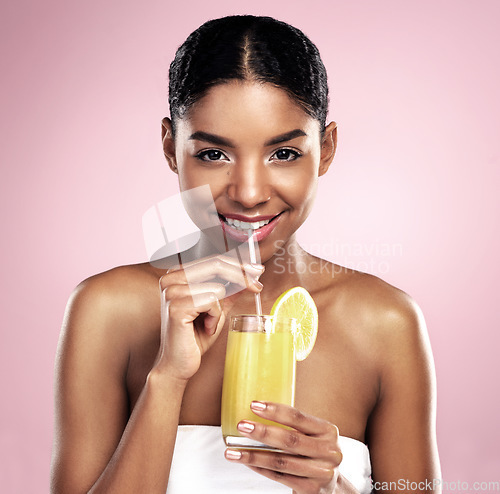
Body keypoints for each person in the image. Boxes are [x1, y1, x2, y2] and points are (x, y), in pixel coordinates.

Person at [50, 15, 440, 494]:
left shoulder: (385, 323)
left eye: (283, 154)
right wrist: (167, 379)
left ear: (328, 148)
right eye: (214, 154)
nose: (250, 193)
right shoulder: (107, 311)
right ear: (172, 148)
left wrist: (332, 490)